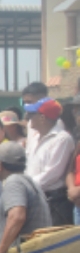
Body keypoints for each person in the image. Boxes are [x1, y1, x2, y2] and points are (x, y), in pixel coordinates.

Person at [23, 97, 75, 226]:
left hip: (54, 201)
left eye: (32, 114)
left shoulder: (62, 139)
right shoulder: (35, 137)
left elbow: (52, 174)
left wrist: (25, 186)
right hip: (35, 197)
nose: (28, 118)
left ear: (42, 118)